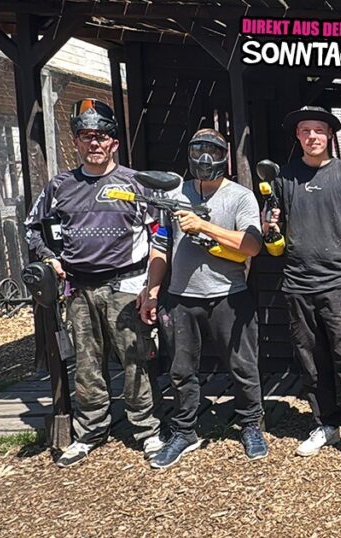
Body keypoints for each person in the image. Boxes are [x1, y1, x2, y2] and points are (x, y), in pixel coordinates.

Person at [24, 98, 162, 467]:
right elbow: (31, 228)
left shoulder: (136, 183)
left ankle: (147, 430)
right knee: (86, 365)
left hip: (125, 285)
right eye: (86, 137)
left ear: (114, 142)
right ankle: (90, 431)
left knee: (135, 361)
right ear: (76, 142)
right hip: (79, 289)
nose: (94, 143)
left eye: (101, 137)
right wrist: (50, 257)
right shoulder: (60, 186)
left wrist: (151, 286)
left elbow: (160, 233)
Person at [264, 106, 341, 473]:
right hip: (298, 285)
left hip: (339, 286)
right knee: (310, 361)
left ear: (330, 135)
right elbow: (274, 238)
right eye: (306, 130)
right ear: (297, 135)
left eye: (319, 130)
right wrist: (270, 227)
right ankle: (326, 425)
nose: (312, 137)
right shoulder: (284, 178)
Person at [138, 128, 268, 469]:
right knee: (181, 370)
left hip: (230, 295)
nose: (205, 158)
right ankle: (184, 432)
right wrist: (152, 290)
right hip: (180, 297)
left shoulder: (240, 196)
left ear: (224, 156)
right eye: (198, 151)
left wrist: (203, 226)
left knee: (243, 366)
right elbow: (160, 246)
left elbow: (252, 245)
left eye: (213, 151)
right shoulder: (174, 194)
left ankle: (251, 425)